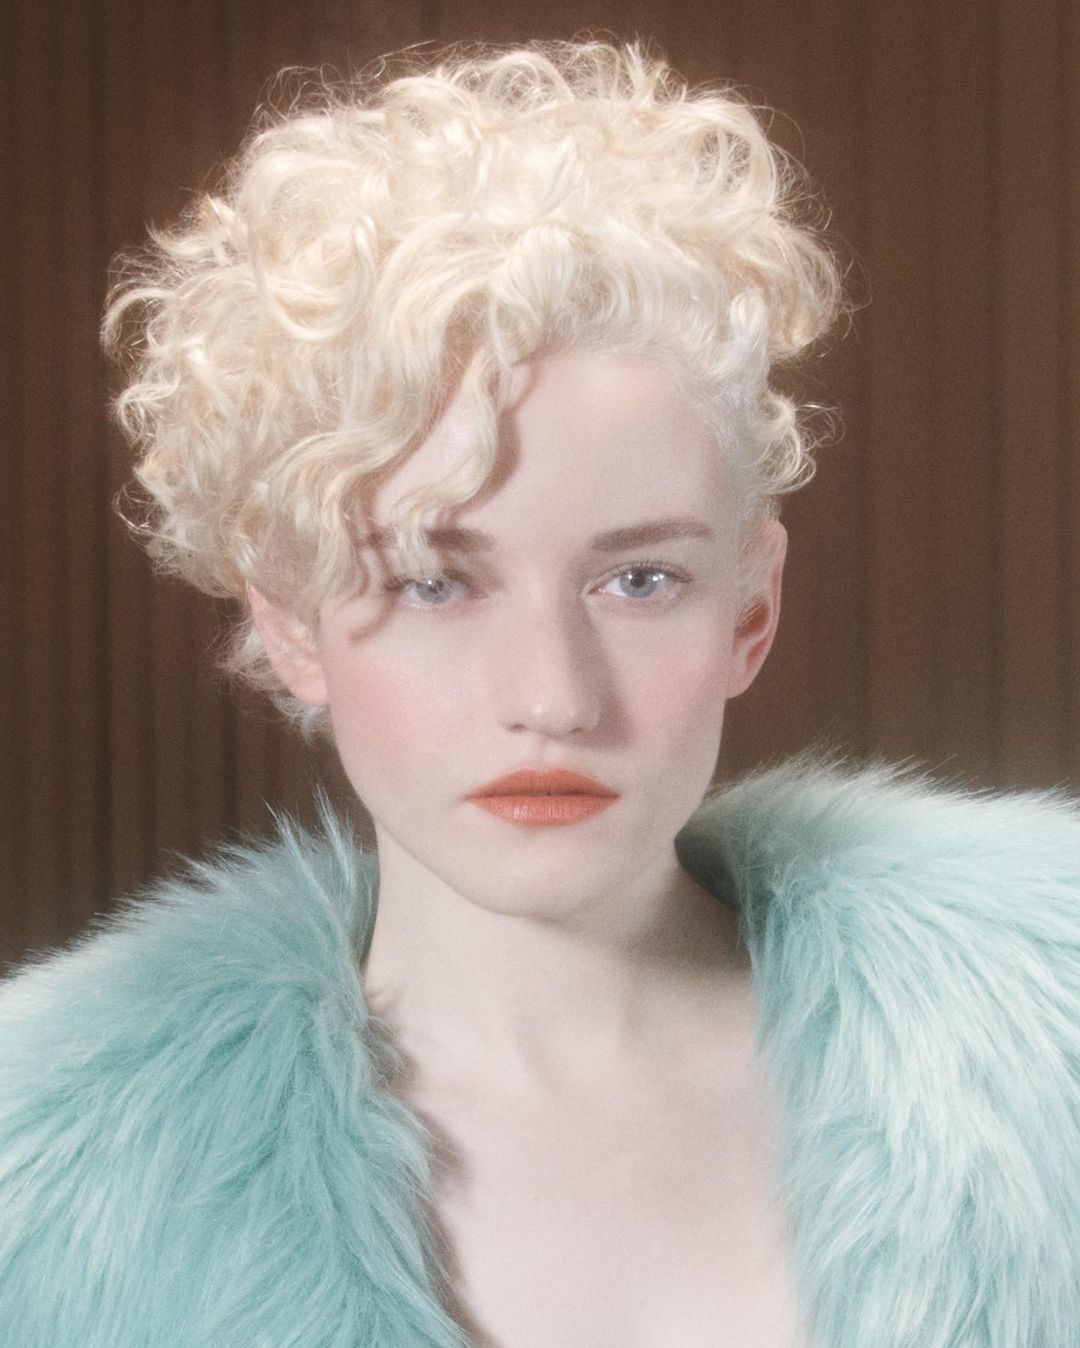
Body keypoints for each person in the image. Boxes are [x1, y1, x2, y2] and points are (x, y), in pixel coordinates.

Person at [1, 41, 1077, 1348]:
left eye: (639, 581)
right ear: (288, 620)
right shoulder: (43, 1189)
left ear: (751, 609)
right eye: (435, 583)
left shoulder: (1052, 1049)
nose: (554, 700)